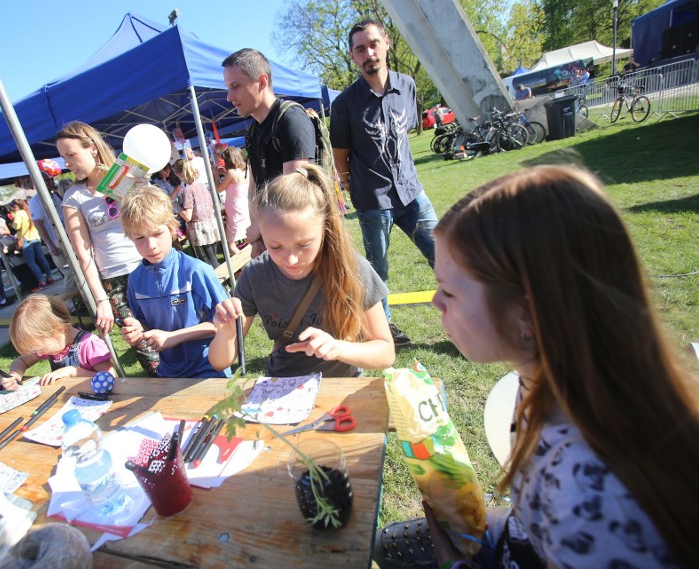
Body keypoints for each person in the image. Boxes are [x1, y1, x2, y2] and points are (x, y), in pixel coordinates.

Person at [374, 165, 699, 569]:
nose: (435, 303)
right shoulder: (554, 381)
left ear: (529, 315)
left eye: (451, 291)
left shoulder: (587, 494)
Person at [208, 164, 395, 377]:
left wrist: (339, 348)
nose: (291, 259)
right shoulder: (255, 274)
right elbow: (219, 362)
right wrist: (225, 334)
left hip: (341, 388)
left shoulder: (353, 268)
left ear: (325, 230)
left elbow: (386, 352)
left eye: (304, 244)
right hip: (280, 387)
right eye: (275, 246)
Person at [330, 19, 439, 348]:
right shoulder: (344, 104)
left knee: (444, 254)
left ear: (387, 43)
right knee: (378, 272)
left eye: (373, 44)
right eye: (360, 49)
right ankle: (385, 327)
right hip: (374, 202)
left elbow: (404, 134)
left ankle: (467, 314)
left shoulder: (407, 85)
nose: (369, 53)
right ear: (353, 56)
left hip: (411, 193)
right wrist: (349, 183)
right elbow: (340, 155)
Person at [56, 121, 154, 374]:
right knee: (146, 349)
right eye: (63, 157)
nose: (66, 163)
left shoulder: (126, 176)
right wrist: (101, 299)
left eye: (70, 155)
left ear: (92, 148)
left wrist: (139, 182)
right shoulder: (74, 198)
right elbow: (83, 253)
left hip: (151, 266)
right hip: (116, 282)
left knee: (170, 332)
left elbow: (155, 217)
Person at [117, 186, 231, 379]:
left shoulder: (196, 271)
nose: (150, 245)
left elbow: (222, 324)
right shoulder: (135, 280)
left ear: (172, 228)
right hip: (168, 373)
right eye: (139, 238)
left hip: (209, 368)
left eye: (157, 234)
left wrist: (173, 337)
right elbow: (144, 324)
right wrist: (137, 330)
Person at [222, 48, 316, 257]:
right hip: (273, 240)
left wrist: (259, 230)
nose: (229, 97)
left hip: (300, 246)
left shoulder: (290, 119)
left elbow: (293, 194)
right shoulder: (254, 130)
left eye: (235, 86)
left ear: (262, 82)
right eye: (228, 88)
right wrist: (258, 237)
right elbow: (253, 190)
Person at [0, 294, 115, 390]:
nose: (39, 354)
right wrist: (15, 375)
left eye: (40, 349)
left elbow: (109, 378)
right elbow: (21, 360)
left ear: (59, 329)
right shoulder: (54, 343)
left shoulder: (89, 345)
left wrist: (72, 372)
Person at [29, 159, 75, 294]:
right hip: (58, 244)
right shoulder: (36, 201)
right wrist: (51, 245)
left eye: (48, 180)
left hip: (70, 239)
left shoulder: (55, 195)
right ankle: (72, 306)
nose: (48, 183)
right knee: (70, 275)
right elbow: (39, 224)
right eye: (44, 181)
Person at [174, 158, 221, 269]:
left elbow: (188, 216)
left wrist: (176, 205)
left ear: (180, 174)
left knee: (211, 263)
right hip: (210, 224)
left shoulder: (188, 190)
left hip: (200, 229)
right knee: (213, 258)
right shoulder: (203, 185)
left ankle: (224, 283)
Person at [10, 198, 53, 291]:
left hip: (26, 239)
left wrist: (12, 222)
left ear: (15, 206)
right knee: (42, 258)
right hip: (36, 237)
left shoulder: (19, 213)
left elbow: (16, 226)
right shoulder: (28, 210)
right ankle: (49, 277)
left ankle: (41, 281)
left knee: (32, 263)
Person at [215, 146, 251, 255]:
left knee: (230, 243)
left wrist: (216, 176)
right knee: (247, 237)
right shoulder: (244, 171)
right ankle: (251, 259)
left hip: (235, 208)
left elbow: (218, 189)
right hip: (244, 205)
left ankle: (244, 264)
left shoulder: (231, 173)